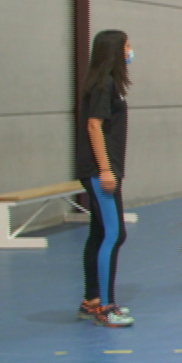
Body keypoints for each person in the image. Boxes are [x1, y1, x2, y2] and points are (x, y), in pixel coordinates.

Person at [79, 29, 134, 328]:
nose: (130, 51)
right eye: (127, 46)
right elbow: (93, 126)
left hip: (105, 168)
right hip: (100, 170)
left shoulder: (109, 84)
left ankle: (91, 301)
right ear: (114, 51)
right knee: (115, 234)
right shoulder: (104, 84)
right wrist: (104, 169)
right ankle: (106, 307)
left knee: (100, 233)